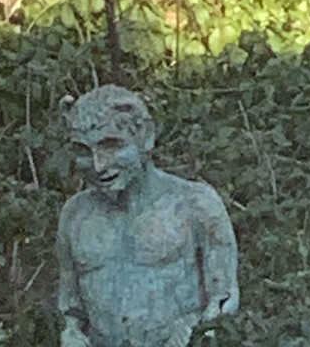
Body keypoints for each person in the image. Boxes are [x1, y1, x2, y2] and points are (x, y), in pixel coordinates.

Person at [57, 85, 239, 347]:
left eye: (111, 146)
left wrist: (197, 329)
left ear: (146, 137)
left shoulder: (196, 205)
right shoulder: (76, 214)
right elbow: (70, 305)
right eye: (84, 151)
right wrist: (71, 332)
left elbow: (224, 297)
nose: (98, 165)